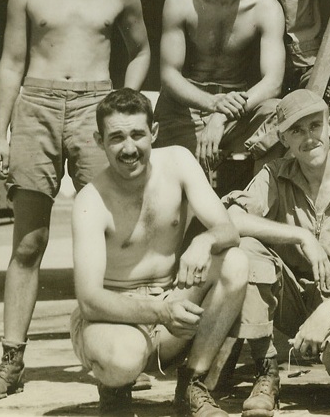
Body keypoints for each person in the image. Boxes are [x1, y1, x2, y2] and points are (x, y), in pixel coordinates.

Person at [0, 0, 151, 403]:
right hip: (37, 107)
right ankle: (11, 361)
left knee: (114, 233)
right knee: (28, 242)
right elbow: (11, 63)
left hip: (97, 108)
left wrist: (127, 102)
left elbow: (140, 50)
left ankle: (119, 354)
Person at [70, 88, 248, 416]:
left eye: (138, 134)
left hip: (171, 309)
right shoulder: (90, 201)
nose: (129, 148)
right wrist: (160, 312)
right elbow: (90, 300)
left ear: (153, 132)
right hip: (115, 319)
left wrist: (203, 241)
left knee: (234, 263)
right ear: (99, 141)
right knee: (122, 359)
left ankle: (193, 384)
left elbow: (228, 230)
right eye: (116, 138)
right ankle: (114, 389)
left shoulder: (178, 161)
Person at [222, 88, 330, 415]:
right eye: (296, 130)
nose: (308, 137)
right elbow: (232, 219)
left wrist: (325, 314)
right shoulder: (274, 174)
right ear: (283, 138)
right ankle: (266, 373)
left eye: (315, 125)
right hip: (288, 297)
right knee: (244, 251)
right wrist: (301, 235)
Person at [153, 0, 286, 190]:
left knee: (276, 115)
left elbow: (273, 82)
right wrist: (212, 104)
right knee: (168, 186)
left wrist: (222, 114)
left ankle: (258, 205)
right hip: (184, 106)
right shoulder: (180, 0)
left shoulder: (265, 6)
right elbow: (168, 75)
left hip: (238, 107)